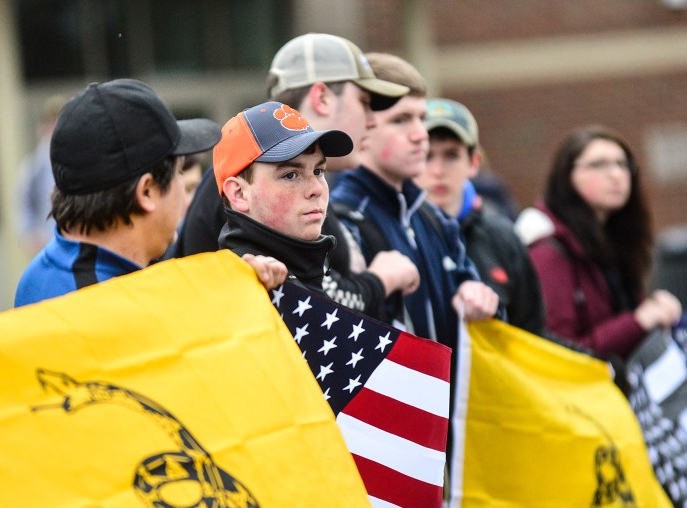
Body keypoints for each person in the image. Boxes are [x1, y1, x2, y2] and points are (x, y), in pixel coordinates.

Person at [168, 33, 419, 319]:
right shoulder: (236, 178)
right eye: (364, 102)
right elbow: (326, 311)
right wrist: (379, 282)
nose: (372, 120)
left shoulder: (306, 201)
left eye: (319, 170)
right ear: (238, 194)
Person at [14, 79, 286, 307]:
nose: (186, 193)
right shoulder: (101, 306)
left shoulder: (49, 274)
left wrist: (231, 277)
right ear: (146, 192)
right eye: (180, 174)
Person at [331, 53, 500, 351]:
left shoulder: (432, 216)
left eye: (421, 118)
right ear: (364, 125)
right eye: (401, 120)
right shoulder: (340, 221)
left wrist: (479, 297)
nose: (421, 135)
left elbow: (487, 325)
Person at [514, 125, 681, 360]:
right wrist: (638, 321)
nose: (616, 175)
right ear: (566, 176)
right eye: (599, 165)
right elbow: (559, 352)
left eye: (623, 164)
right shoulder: (548, 251)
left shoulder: (616, 238)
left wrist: (654, 310)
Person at [212, 100, 372, 294]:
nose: (316, 189)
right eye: (290, 175)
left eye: (319, 171)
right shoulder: (237, 287)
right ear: (239, 194)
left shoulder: (309, 268)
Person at [417, 98, 546, 335]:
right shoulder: (398, 231)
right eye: (427, 156)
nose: (438, 170)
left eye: (451, 155)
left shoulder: (502, 236)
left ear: (474, 162)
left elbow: (532, 333)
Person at [15, 95, 65, 255]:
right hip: (48, 241)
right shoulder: (34, 166)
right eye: (53, 121)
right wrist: (32, 237)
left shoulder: (75, 157)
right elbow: (23, 205)